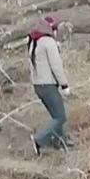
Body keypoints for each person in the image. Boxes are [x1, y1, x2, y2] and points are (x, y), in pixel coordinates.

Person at [28, 15, 72, 156]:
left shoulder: (33, 40)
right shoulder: (48, 42)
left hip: (38, 85)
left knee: (54, 114)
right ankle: (38, 140)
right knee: (60, 117)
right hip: (47, 85)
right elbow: (56, 66)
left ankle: (59, 141)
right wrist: (64, 85)